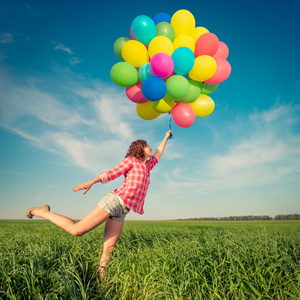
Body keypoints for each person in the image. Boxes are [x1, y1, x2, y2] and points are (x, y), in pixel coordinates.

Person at [26, 130, 173, 281]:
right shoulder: (131, 161)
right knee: (76, 230)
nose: (150, 148)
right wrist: (91, 182)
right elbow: (112, 173)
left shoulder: (147, 167)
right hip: (114, 202)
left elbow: (158, 154)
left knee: (109, 250)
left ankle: (103, 285)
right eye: (147, 145)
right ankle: (41, 212)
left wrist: (166, 137)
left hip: (122, 211)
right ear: (139, 149)